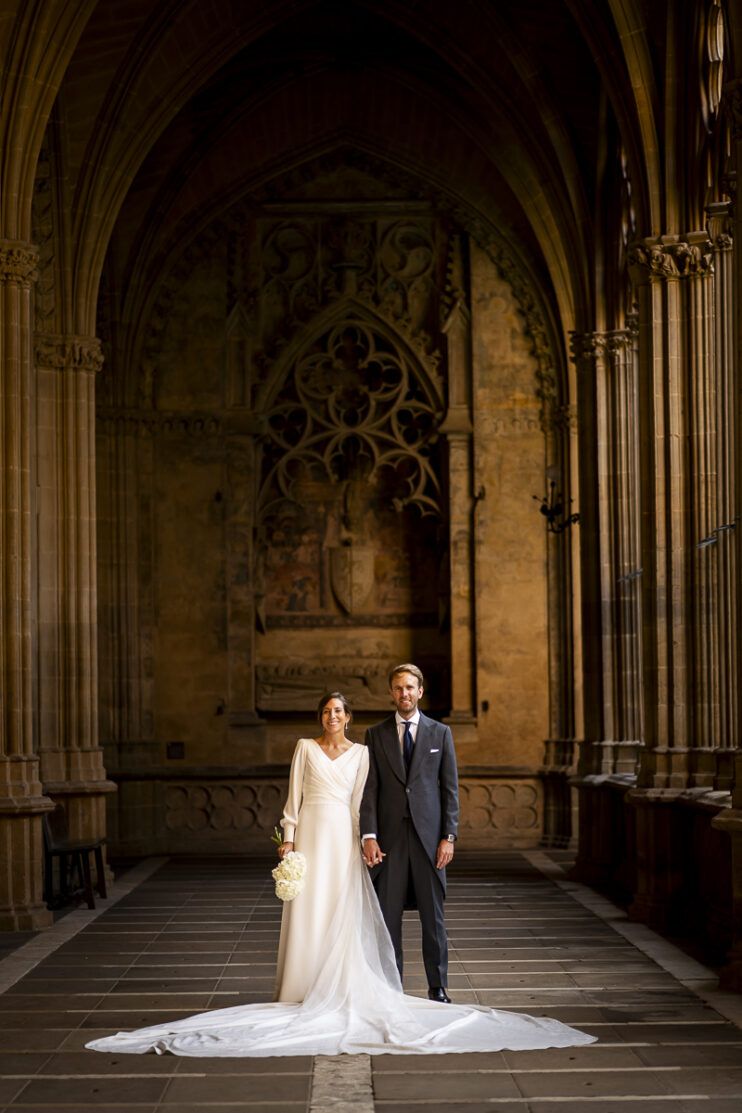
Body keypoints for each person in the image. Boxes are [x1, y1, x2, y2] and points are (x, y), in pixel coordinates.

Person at [85, 690, 596, 1057]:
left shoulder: (364, 752)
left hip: (346, 838)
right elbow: (293, 798)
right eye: (327, 711)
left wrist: (367, 840)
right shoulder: (304, 749)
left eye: (339, 711)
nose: (333, 716)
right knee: (308, 912)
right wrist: (288, 839)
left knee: (351, 912)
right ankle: (301, 988)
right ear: (322, 717)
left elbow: (364, 801)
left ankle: (416, 987)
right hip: (310, 832)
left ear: (349, 717)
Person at [360, 663, 457, 1002]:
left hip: (430, 841)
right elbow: (369, 790)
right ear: (391, 692)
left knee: (434, 920)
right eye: (398, 688)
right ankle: (392, 986)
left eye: (410, 687)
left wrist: (449, 837)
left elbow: (449, 790)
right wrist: (368, 835)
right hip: (389, 841)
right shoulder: (375, 734)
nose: (404, 693)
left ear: (420, 691)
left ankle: (439, 986)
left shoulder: (440, 734)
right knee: (389, 920)